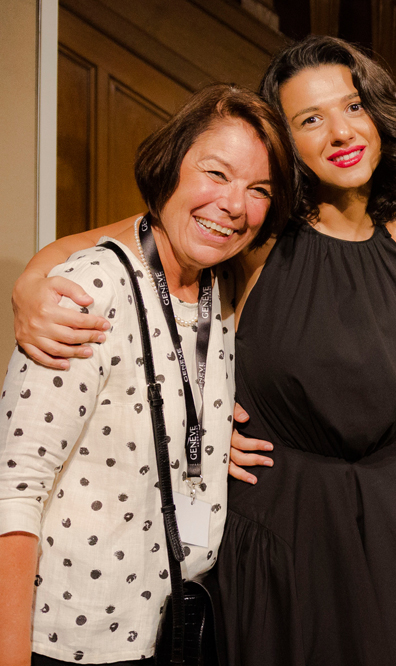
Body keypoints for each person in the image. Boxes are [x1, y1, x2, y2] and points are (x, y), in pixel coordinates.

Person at [8, 36, 396, 666]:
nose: (340, 132)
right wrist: (31, 284)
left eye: (353, 106)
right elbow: (133, 237)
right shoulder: (254, 236)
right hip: (283, 533)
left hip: (394, 529)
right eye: (310, 119)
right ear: (284, 145)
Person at [0, 83, 296, 666]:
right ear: (170, 167)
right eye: (216, 173)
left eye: (259, 189)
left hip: (169, 630)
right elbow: (14, 488)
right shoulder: (90, 291)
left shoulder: (221, 292)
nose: (234, 204)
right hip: (70, 641)